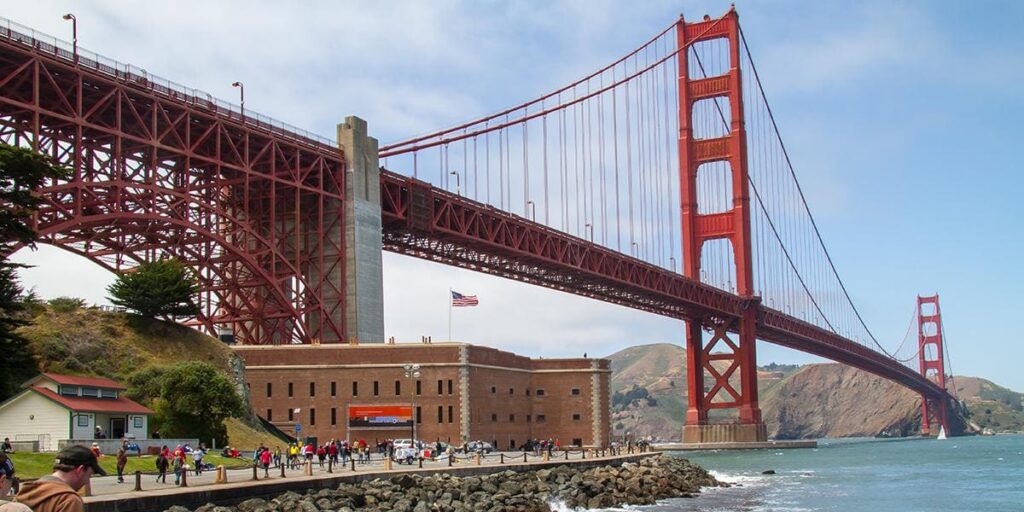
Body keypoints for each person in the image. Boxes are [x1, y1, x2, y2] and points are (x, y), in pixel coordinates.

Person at [15, 445, 106, 512]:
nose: (87, 481)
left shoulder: (24, 493)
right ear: (81, 469)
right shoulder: (68, 500)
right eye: (89, 475)